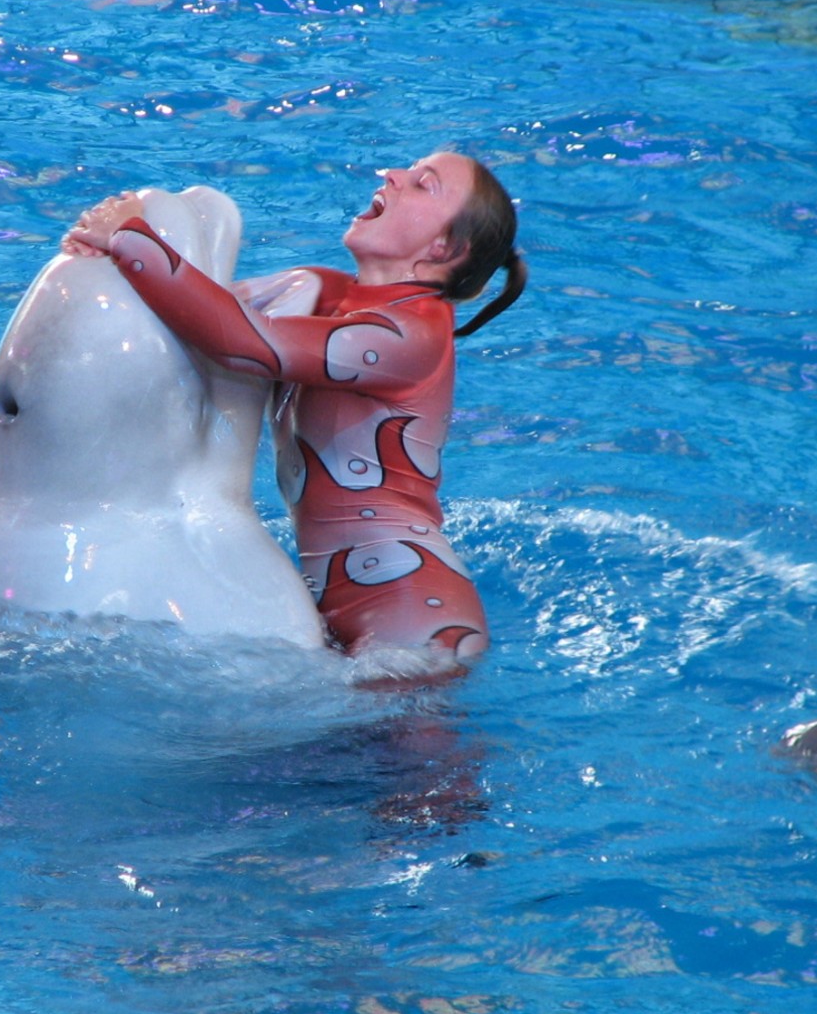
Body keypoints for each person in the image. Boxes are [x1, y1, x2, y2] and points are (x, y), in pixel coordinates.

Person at [61, 151, 524, 669]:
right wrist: (109, 269)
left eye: (422, 184)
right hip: (336, 603)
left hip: (416, 621)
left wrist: (130, 240)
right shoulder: (326, 293)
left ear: (445, 246)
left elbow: (241, 342)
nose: (391, 175)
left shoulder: (409, 337)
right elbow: (199, 312)